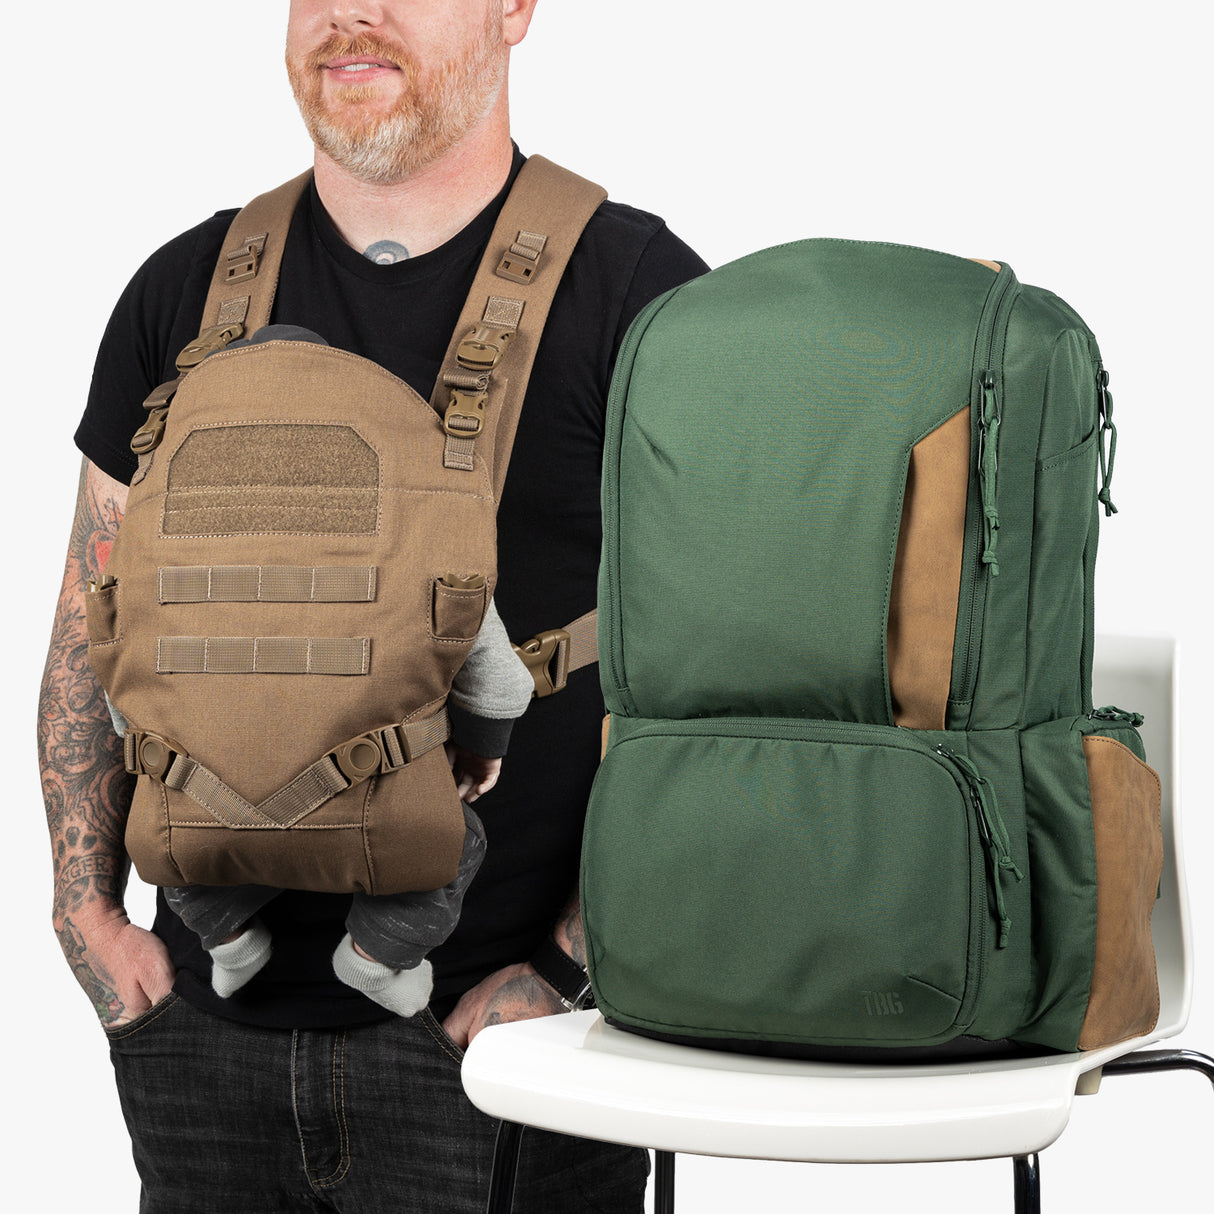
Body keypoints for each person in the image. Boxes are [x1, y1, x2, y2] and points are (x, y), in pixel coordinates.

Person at [37, 2, 708, 1211]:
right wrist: (86, 911)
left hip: (496, 1048)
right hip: (197, 1037)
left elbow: (722, 683)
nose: (351, 12)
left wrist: (568, 969)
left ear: (514, 9)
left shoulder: (639, 292)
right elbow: (94, 616)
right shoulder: (183, 288)